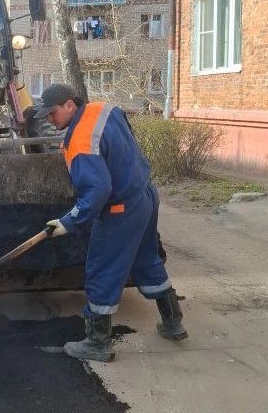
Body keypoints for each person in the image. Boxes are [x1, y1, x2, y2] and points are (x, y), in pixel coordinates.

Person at [34, 83, 187, 362]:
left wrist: (69, 221)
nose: (50, 119)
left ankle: (98, 343)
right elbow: (125, 142)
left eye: (52, 113)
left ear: (70, 105)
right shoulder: (103, 110)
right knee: (146, 259)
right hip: (144, 194)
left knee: (102, 269)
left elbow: (98, 190)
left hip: (120, 210)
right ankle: (173, 323)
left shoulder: (81, 141)